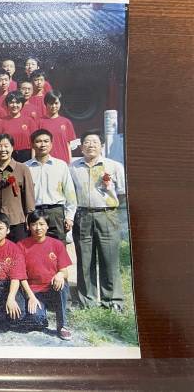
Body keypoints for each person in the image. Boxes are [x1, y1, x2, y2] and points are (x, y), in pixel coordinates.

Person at [69, 130, 126, 311]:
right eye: (87, 142)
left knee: (109, 258)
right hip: (83, 215)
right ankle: (87, 301)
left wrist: (107, 206)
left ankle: (113, 300)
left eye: (94, 142)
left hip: (107, 215)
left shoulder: (114, 166)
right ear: (81, 147)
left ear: (101, 146)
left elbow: (122, 193)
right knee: (85, 259)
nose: (91, 145)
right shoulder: (73, 167)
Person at [18, 210, 72, 341]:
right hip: (34, 292)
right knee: (35, 320)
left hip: (52, 289)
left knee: (62, 283)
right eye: (34, 224)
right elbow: (20, 275)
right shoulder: (21, 245)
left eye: (42, 224)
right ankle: (41, 316)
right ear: (28, 226)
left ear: (47, 226)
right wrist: (31, 296)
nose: (38, 228)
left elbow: (65, 271)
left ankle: (62, 325)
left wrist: (60, 274)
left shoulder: (57, 244)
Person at [25, 129, 77, 243]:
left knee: (58, 246)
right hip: (34, 212)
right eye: (38, 141)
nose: (42, 144)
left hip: (56, 212)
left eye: (46, 141)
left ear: (51, 144)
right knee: (35, 247)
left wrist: (69, 217)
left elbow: (70, 193)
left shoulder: (61, 165)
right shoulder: (26, 167)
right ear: (32, 145)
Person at [0, 133, 35, 242]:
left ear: (12, 148)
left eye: (6, 146)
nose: (3, 149)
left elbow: (29, 194)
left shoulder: (22, 169)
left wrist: (30, 215)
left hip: (17, 222)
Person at [0, 91, 38, 162]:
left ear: (22, 104)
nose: (14, 105)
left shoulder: (29, 121)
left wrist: (34, 159)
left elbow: (35, 142)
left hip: (26, 156)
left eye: (17, 102)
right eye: (11, 102)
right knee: (8, 170)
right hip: (7, 155)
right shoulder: (0, 121)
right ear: (7, 104)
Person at [38, 91, 77, 164]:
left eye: (56, 103)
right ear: (45, 104)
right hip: (45, 162)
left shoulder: (66, 122)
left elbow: (68, 145)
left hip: (63, 161)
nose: (53, 106)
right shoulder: (39, 122)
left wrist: (69, 162)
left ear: (60, 104)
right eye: (51, 103)